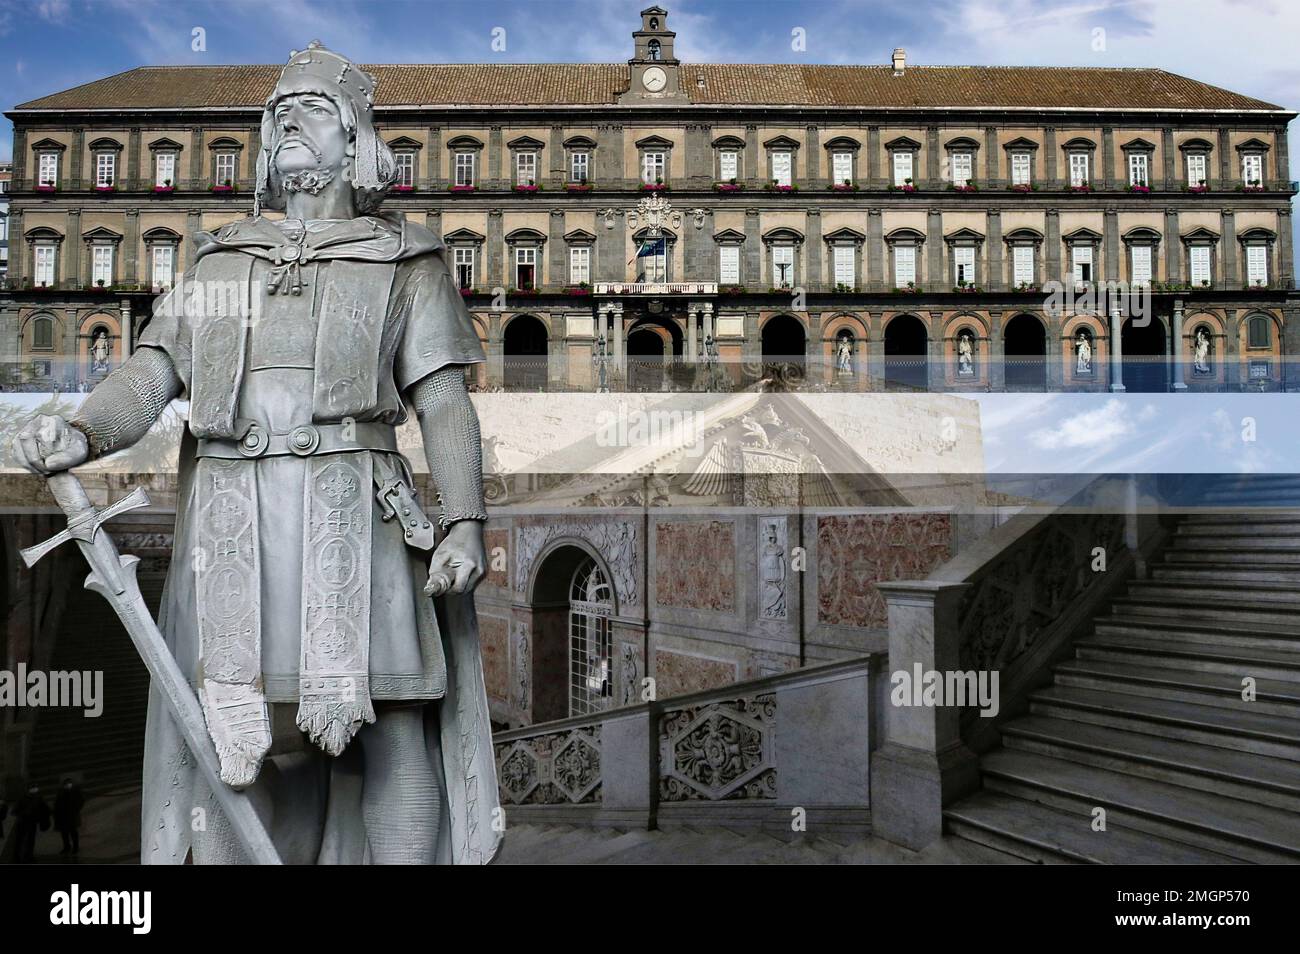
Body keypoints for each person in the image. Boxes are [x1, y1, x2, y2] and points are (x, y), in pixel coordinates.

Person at [12, 42, 500, 866]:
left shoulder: (406, 261)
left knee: (395, 723)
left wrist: (465, 522)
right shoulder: (220, 259)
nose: (289, 119)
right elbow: (153, 372)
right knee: (229, 735)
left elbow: (445, 399)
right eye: (280, 111)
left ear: (357, 140)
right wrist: (83, 431)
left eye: (313, 108)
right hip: (233, 521)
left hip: (360, 514)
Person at [13, 784, 50, 864]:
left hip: (32, 822)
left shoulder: (38, 798)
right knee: (20, 840)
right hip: (23, 822)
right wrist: (24, 813)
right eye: (33, 788)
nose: (35, 789)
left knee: (30, 840)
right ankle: (17, 857)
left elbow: (45, 808)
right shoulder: (23, 798)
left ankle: (28, 856)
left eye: (35, 788)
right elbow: (15, 811)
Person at [53, 777, 85, 855]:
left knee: (73, 831)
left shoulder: (75, 791)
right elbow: (57, 803)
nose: (68, 785)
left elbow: (81, 801)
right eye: (66, 784)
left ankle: (75, 847)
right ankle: (67, 847)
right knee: (64, 832)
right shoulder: (61, 792)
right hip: (62, 815)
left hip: (72, 814)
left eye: (69, 783)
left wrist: (76, 809)